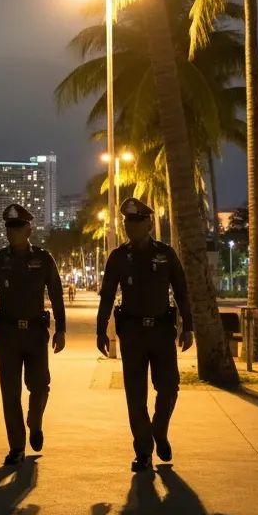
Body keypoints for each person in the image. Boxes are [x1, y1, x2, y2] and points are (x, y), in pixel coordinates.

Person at [96, 197, 194, 472]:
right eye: (127, 221)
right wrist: (101, 329)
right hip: (133, 333)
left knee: (169, 387)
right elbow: (106, 296)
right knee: (135, 395)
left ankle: (159, 430)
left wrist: (188, 326)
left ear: (149, 223)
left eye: (137, 221)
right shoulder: (118, 257)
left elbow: (182, 291)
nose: (131, 226)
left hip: (162, 332)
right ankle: (143, 451)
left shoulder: (166, 254)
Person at [0, 203, 67, 465]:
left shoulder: (43, 259)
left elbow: (57, 295)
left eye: (17, 227)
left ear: (29, 229)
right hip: (7, 334)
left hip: (36, 333)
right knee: (10, 392)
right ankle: (16, 446)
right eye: (9, 228)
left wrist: (61, 329)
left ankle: (35, 421)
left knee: (40, 385)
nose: (12, 232)